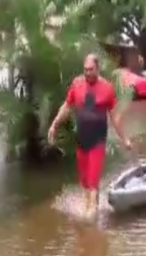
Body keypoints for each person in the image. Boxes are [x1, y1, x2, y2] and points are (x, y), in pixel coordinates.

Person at [48, 53, 132, 218]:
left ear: (98, 68)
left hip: (97, 140)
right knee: (85, 182)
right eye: (85, 70)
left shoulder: (107, 88)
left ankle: (90, 220)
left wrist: (125, 139)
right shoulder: (77, 84)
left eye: (91, 70)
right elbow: (67, 106)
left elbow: (115, 117)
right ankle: (92, 206)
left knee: (92, 182)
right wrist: (54, 125)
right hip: (82, 139)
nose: (88, 73)